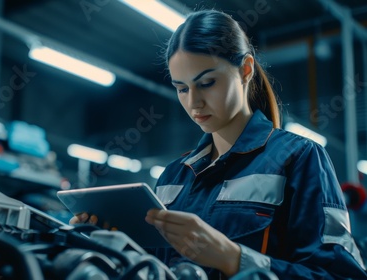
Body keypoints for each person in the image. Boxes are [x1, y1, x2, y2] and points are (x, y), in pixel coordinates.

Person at [71, 9, 367, 279]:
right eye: (182, 88)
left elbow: (343, 276)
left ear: (245, 70)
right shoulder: (173, 176)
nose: (193, 102)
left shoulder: (300, 158)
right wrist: (111, 243)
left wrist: (235, 259)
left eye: (207, 83)